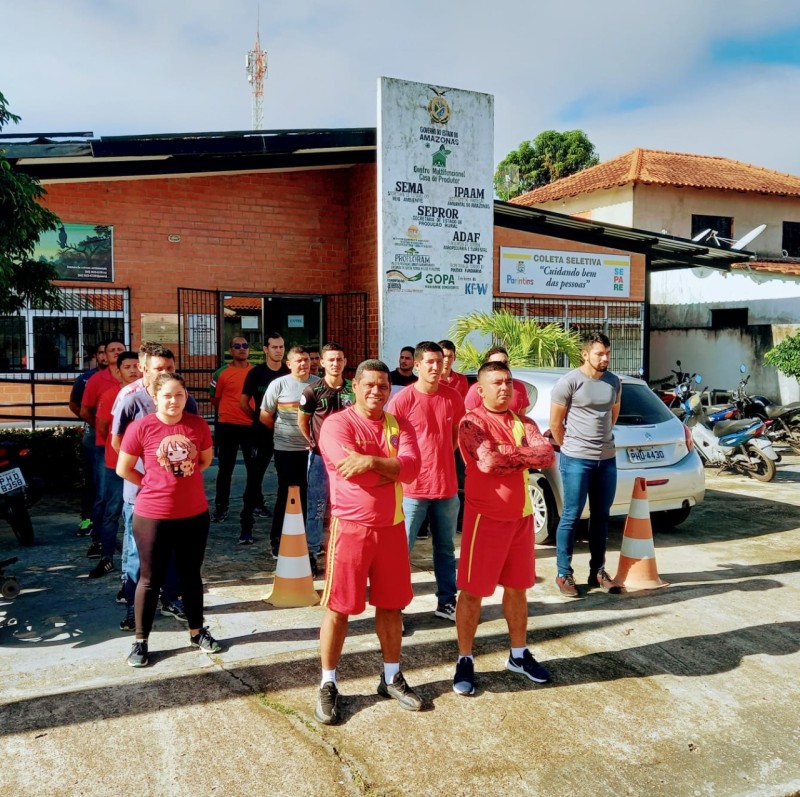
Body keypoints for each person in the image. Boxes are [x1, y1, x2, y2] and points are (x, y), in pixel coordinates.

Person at [315, 359, 422, 725]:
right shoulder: (337, 424)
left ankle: (391, 676)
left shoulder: (399, 424)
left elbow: (411, 469)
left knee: (391, 606)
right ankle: (328, 682)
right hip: (351, 529)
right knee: (339, 607)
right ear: (355, 387)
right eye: (370, 385)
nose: (376, 391)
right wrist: (388, 468)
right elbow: (351, 472)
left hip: (392, 528)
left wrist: (373, 463)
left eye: (383, 385)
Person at [453, 360, 555, 695]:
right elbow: (488, 461)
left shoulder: (523, 421)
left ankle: (518, 654)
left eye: (508, 381)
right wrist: (522, 454)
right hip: (485, 520)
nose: (504, 387)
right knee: (472, 593)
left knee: (517, 589)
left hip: (521, 519)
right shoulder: (471, 422)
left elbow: (546, 456)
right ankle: (465, 658)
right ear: (480, 390)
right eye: (497, 382)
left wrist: (510, 453)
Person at [117, 372, 222, 667]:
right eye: (167, 396)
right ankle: (140, 641)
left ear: (186, 395)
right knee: (149, 580)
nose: (174, 401)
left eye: (179, 395)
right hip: (152, 516)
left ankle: (197, 631)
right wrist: (151, 484)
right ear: (155, 398)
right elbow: (124, 469)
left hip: (193, 515)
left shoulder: (197, 425)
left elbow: (204, 460)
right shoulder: (142, 427)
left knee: (191, 576)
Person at [111, 347, 198, 631]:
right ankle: (133, 608)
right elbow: (118, 445)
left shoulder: (186, 400)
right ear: (144, 369)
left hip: (176, 497)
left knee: (173, 552)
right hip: (140, 496)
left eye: (169, 367)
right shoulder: (129, 399)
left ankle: (171, 598)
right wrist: (147, 479)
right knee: (139, 555)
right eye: (159, 368)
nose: (165, 373)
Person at [389, 341, 464, 622]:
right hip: (411, 490)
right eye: (429, 362)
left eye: (439, 361)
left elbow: (456, 433)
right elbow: (392, 441)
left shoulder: (453, 397)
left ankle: (447, 602)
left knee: (445, 549)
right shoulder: (403, 399)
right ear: (417, 365)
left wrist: (439, 458)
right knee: (400, 551)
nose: (436, 367)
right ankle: (395, 606)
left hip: (446, 488)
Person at [549, 331, 623, 598]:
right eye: (599, 353)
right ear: (585, 354)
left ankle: (598, 571)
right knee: (570, 515)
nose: (605, 358)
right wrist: (570, 447)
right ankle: (563, 573)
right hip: (576, 459)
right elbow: (556, 424)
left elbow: (613, 415)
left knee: (601, 516)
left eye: (607, 353)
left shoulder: (614, 381)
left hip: (607, 459)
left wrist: (601, 444)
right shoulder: (569, 382)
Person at [297, 343, 354, 575]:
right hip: (321, 459)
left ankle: (345, 552)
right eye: (330, 359)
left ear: (345, 361)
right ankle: (311, 552)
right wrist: (314, 443)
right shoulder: (312, 391)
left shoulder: (353, 388)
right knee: (317, 506)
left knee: (347, 507)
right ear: (321, 362)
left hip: (349, 460)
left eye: (339, 359)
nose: (335, 363)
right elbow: (303, 421)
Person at [260, 346, 320, 556]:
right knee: (287, 494)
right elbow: (265, 415)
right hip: (286, 450)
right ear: (289, 364)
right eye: (299, 360)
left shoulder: (318, 384)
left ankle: (308, 539)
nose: (304, 364)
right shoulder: (278, 384)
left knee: (311, 495)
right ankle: (278, 540)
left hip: (314, 451)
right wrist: (283, 433)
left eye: (306, 360)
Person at [88, 351, 141, 578]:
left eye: (136, 366)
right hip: (114, 464)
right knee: (112, 512)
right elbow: (103, 428)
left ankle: (136, 566)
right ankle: (107, 556)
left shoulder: (146, 395)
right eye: (127, 366)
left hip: (139, 467)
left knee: (137, 516)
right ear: (118, 371)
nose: (132, 370)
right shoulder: (111, 395)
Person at [80, 338, 126, 559]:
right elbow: (84, 410)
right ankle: (98, 540)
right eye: (112, 350)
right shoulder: (97, 380)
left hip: (131, 450)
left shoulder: (138, 380)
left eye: (120, 349)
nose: (116, 353)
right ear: (104, 355)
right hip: (104, 446)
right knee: (103, 496)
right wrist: (103, 431)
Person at [239, 332, 289, 536]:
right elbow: (243, 402)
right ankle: (246, 526)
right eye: (274, 347)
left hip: (286, 435)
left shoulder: (289, 372)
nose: (279, 350)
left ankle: (284, 526)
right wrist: (258, 420)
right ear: (266, 349)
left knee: (286, 480)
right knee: (254, 479)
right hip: (261, 434)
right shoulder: (256, 373)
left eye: (281, 346)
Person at [209, 336, 254, 538]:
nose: (242, 349)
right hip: (227, 425)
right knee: (225, 468)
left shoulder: (255, 372)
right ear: (230, 350)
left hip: (250, 425)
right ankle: (221, 506)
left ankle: (256, 504)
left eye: (245, 346)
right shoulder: (222, 373)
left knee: (255, 468)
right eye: (237, 346)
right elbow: (214, 398)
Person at [69, 341, 107, 536]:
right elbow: (75, 405)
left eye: (108, 352)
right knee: (92, 479)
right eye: (101, 352)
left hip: (116, 437)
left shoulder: (124, 378)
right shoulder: (85, 379)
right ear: (96, 356)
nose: (105, 356)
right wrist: (94, 423)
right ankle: (87, 519)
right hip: (93, 437)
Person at [464, 347, 531, 415]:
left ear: (509, 363)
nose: (501, 366)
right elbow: (469, 417)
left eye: (504, 362)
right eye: (496, 364)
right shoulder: (477, 389)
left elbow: (522, 417)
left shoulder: (520, 387)